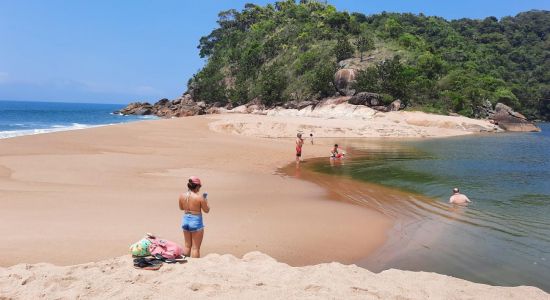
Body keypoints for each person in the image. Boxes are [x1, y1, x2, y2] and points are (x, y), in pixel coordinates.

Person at [179, 176, 210, 258]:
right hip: (195, 221)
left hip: (185, 219)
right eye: (199, 186)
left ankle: (186, 263)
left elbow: (181, 208)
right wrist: (205, 200)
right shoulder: (200, 197)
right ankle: (195, 265)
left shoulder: (182, 195)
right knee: (195, 248)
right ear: (196, 186)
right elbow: (206, 210)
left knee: (187, 246)